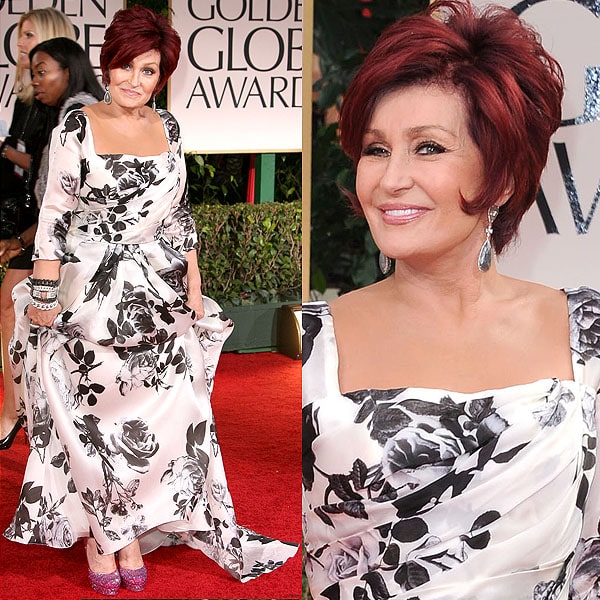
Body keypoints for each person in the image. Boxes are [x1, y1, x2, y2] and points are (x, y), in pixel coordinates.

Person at [302, 1, 600, 599]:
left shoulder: (585, 328)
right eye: (376, 148)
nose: (389, 180)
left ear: (506, 177)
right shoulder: (312, 340)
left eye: (428, 148)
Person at [4, 5, 297, 597]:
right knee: (90, 423)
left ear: (162, 76)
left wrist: (191, 284)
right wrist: (41, 290)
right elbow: (56, 214)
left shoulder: (169, 128)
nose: (135, 80)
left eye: (150, 70)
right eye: (126, 67)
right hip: (85, 290)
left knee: (155, 418)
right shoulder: (77, 128)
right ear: (107, 64)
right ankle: (106, 537)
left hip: (155, 293)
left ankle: (132, 524)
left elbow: (178, 216)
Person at [0, 7, 76, 451]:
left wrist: (11, 157)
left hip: (48, 223)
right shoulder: (26, 97)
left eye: (30, 35)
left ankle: (20, 412)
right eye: (20, 35)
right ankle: (19, 409)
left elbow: (49, 171)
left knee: (24, 311)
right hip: (26, 216)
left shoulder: (68, 102)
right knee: (15, 311)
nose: (21, 42)